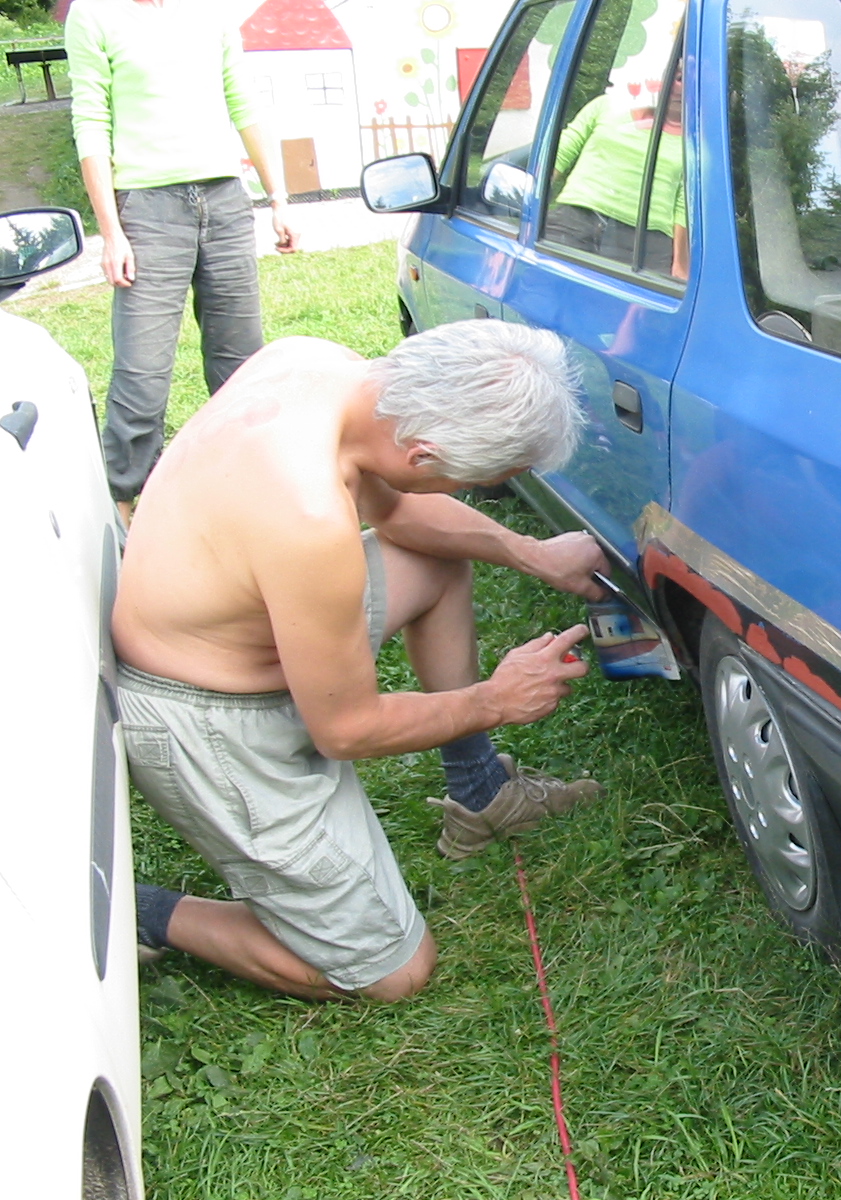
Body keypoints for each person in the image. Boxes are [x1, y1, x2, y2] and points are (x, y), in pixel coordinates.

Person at [115, 320, 609, 1002]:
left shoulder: (319, 367)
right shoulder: (306, 517)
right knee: (390, 974)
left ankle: (479, 791)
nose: (481, 489)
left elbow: (400, 511)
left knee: (436, 560)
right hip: (207, 717)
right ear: (424, 453)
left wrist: (534, 553)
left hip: (243, 624)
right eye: (484, 479)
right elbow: (346, 730)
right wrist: (495, 699)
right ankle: (139, 911)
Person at [64, 0, 302, 525]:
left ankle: (251, 495)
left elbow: (243, 102)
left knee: (241, 363)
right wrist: (112, 233)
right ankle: (120, 510)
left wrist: (278, 197)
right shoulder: (93, 13)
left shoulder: (210, 9)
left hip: (225, 201)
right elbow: (91, 121)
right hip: (147, 211)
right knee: (143, 372)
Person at [546, 74, 689, 279]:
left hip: (645, 247)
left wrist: (680, 264)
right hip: (574, 223)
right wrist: (529, 194)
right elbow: (560, 152)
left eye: (692, 80)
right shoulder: (607, 105)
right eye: (679, 77)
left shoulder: (697, 144)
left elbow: (685, 204)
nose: (682, 86)